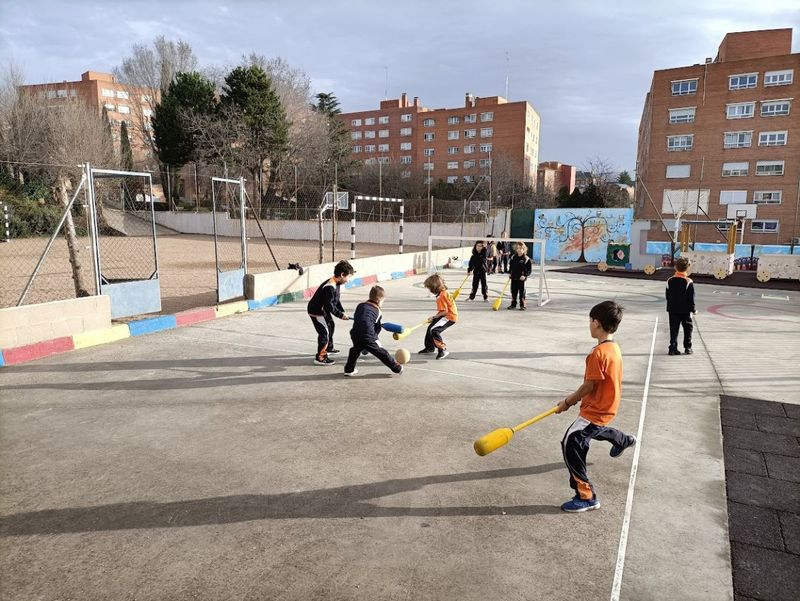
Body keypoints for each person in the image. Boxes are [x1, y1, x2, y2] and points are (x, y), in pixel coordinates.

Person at [554, 300, 635, 513]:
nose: (589, 325)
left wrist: (568, 402)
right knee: (592, 430)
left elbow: (588, 386)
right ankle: (623, 440)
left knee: (571, 442)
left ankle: (586, 496)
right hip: (608, 406)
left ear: (596, 323)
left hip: (595, 409)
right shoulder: (614, 348)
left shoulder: (597, 354)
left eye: (590, 321)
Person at [343, 286, 404, 377]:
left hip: (355, 333)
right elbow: (377, 328)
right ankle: (397, 368)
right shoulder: (378, 311)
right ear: (379, 301)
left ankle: (349, 370)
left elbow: (358, 319)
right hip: (368, 335)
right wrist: (375, 340)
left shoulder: (360, 305)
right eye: (383, 301)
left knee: (355, 351)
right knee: (381, 352)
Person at [307, 260, 354, 365]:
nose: (349, 280)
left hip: (323, 310)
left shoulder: (337, 283)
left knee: (331, 325)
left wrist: (341, 311)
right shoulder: (330, 286)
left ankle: (329, 347)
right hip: (317, 311)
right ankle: (321, 357)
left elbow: (335, 300)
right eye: (349, 277)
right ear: (342, 275)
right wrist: (340, 315)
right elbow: (330, 305)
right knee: (325, 333)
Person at [419, 273, 458, 360]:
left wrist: (434, 317)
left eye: (429, 288)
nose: (429, 290)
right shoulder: (444, 292)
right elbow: (443, 311)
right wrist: (435, 317)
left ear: (434, 287)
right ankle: (430, 348)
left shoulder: (441, 296)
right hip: (447, 314)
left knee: (434, 330)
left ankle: (442, 349)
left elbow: (445, 312)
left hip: (449, 317)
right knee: (430, 327)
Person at [666, 256, 696, 355]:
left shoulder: (670, 280)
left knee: (673, 329)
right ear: (687, 268)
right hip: (685, 310)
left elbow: (667, 296)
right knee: (688, 328)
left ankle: (672, 348)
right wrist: (693, 309)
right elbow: (691, 298)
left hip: (672, 309)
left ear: (676, 267)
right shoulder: (688, 281)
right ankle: (688, 347)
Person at [507, 242, 532, 310]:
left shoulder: (526, 259)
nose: (519, 250)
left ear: (524, 249)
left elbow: (529, 270)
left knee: (522, 292)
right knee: (513, 292)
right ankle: (513, 304)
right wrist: (510, 272)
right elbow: (511, 266)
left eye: (521, 248)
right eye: (518, 248)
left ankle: (522, 305)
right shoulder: (513, 257)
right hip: (514, 278)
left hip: (521, 279)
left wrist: (525, 275)